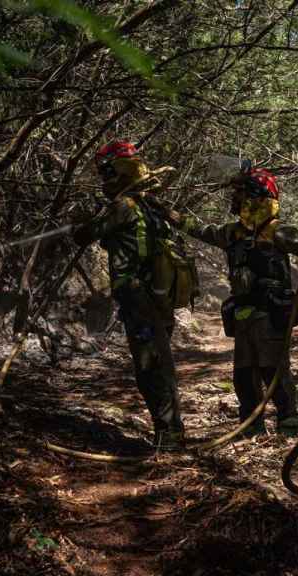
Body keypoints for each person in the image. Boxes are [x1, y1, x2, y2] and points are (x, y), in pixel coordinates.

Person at [162, 166, 298, 438]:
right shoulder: (233, 233)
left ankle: (288, 426)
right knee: (244, 376)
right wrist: (172, 217)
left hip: (271, 315)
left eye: (240, 194)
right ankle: (252, 429)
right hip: (243, 317)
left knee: (274, 372)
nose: (235, 199)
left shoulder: (277, 231)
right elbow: (202, 230)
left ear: (256, 197)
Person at [72, 140, 185, 449]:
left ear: (117, 171)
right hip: (157, 297)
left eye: (105, 172)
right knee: (158, 363)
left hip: (140, 299)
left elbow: (84, 234)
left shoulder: (124, 207)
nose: (102, 178)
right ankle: (170, 433)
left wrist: (78, 221)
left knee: (151, 368)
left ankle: (170, 437)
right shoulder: (147, 204)